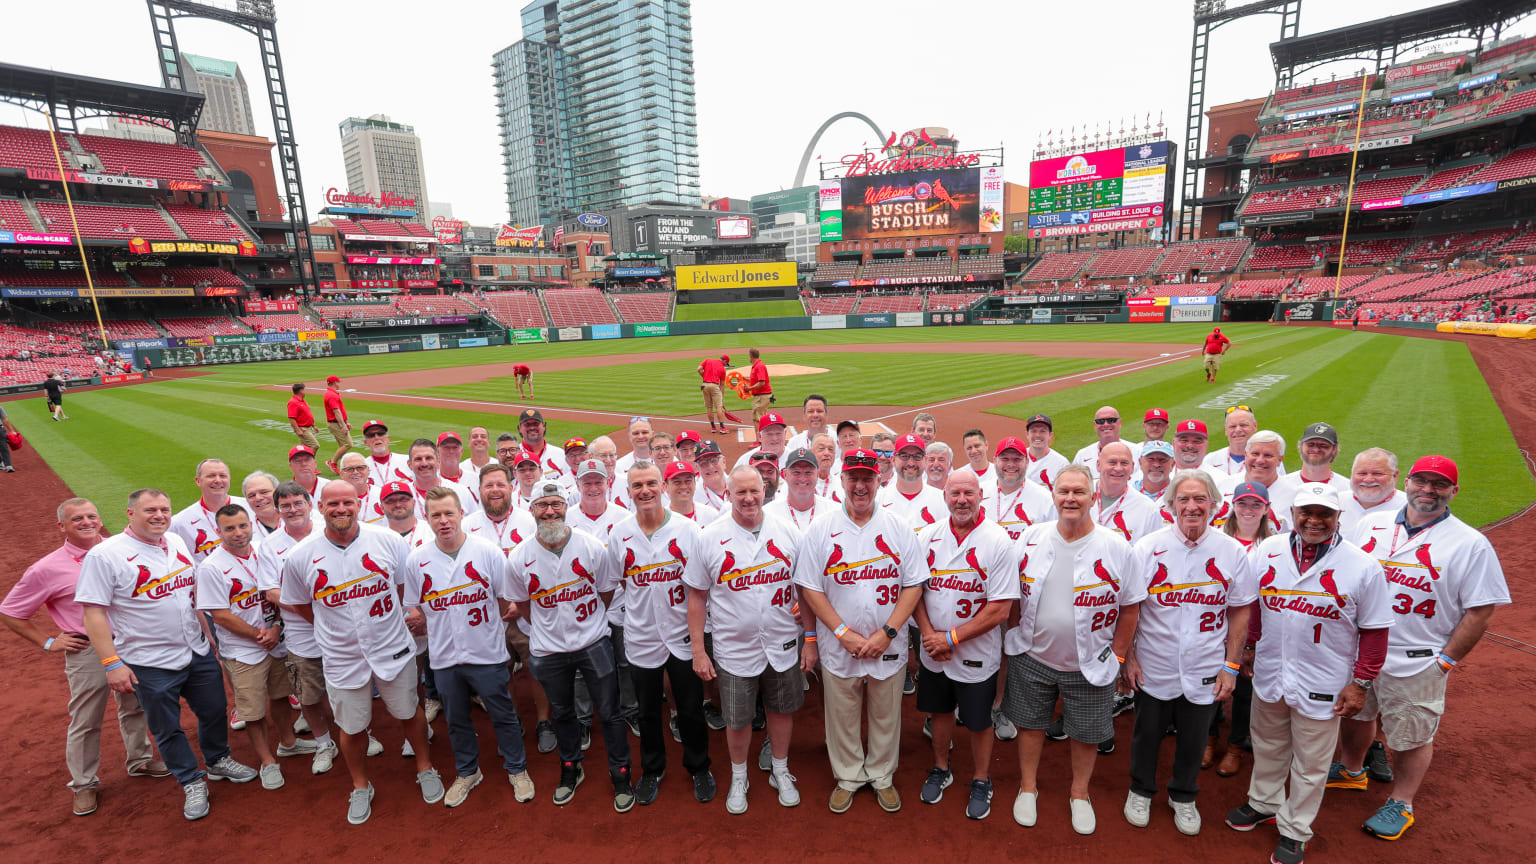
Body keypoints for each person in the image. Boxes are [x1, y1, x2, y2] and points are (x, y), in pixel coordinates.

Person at [1338, 456, 1510, 841]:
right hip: (1360, 651)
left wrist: (1445, 662)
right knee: (1357, 714)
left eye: (1439, 484)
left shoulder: (1470, 543)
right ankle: (1351, 770)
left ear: (1453, 491)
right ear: (1408, 482)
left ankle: (1402, 801)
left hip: (1417, 658)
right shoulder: (1372, 524)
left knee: (1412, 735)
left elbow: (1481, 611)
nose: (1428, 491)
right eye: (1422, 481)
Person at [1224, 484, 1391, 864]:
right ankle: (1264, 803)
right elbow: (1254, 606)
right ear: (1292, 513)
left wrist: (1361, 682)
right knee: (1267, 744)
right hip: (1271, 668)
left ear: (1338, 518)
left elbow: (1376, 630)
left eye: (1324, 514)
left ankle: (1296, 828)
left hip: (1325, 677)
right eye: (1307, 512)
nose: (1314, 520)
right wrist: (1248, 647)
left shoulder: (1362, 565)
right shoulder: (1268, 551)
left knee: (1312, 762)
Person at [75, 488, 258, 821]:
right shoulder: (106, 554)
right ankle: (190, 779)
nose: (159, 515)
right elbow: (94, 613)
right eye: (150, 510)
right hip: (149, 660)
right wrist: (111, 662)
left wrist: (208, 634)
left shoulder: (174, 542)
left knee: (216, 710)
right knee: (166, 726)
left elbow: (188, 595)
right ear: (130, 514)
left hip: (195, 649)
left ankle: (217, 760)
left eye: (164, 509)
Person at [279, 483, 444, 825]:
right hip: (342, 653)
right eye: (333, 503)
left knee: (408, 710)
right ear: (319, 507)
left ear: (359, 504)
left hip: (391, 643)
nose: (341, 509)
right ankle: (359, 784)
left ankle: (425, 766)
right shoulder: (300, 556)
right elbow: (297, 602)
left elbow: (401, 588)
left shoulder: (387, 540)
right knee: (352, 727)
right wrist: (331, 624)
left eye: (348, 502)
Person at [1, 498, 166, 817]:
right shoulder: (46, 568)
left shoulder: (121, 549)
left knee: (136, 705)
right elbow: (10, 612)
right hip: (86, 649)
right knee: (87, 718)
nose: (87, 522)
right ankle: (83, 783)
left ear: (101, 518)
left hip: (131, 642)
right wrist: (48, 642)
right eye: (77, 519)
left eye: (91, 516)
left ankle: (140, 759)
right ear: (61, 526)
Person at [1004, 465, 1140, 835]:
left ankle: (1079, 793)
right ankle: (1028, 787)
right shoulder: (1030, 537)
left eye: (1079, 492)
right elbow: (1012, 591)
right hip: (1033, 656)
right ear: (1053, 495)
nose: (1070, 498)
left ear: (1093, 497)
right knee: (1030, 726)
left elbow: (1130, 607)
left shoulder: (1116, 546)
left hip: (1090, 661)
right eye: (1064, 491)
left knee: (1086, 733)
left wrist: (1120, 656)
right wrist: (1015, 631)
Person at [1122, 471, 1255, 836]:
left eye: (1200, 500)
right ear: (1171, 506)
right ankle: (1141, 789)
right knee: (1146, 732)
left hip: (1206, 661)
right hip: (1154, 658)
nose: (1192, 507)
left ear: (1214, 505)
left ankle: (1183, 794)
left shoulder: (1232, 551)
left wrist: (1231, 665)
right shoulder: (1148, 547)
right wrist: (1129, 657)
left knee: (1195, 736)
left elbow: (1240, 609)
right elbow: (1130, 606)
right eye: (1184, 499)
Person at [794, 449, 926, 814]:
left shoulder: (898, 527)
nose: (860, 485)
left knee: (887, 713)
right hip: (840, 645)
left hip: (889, 642)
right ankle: (849, 775)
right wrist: (841, 632)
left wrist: (888, 631)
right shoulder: (821, 529)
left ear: (879, 481)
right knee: (841, 713)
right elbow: (810, 587)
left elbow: (914, 585)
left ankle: (882, 775)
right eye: (853, 478)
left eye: (867, 478)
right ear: (841, 481)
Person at [503, 482, 634, 811]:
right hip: (548, 650)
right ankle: (570, 767)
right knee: (562, 713)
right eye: (542, 505)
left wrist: (586, 622)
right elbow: (522, 604)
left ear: (566, 506)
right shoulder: (519, 557)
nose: (549, 511)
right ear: (531, 510)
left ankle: (620, 773)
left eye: (556, 504)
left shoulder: (591, 546)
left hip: (593, 642)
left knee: (610, 712)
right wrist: (546, 629)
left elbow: (605, 592)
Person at [404, 487, 535, 808]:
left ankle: (517, 769)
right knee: (457, 717)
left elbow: (508, 603)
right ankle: (467, 770)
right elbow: (413, 608)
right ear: (428, 518)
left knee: (503, 713)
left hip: (487, 653)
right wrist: (421, 619)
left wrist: (493, 630)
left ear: (462, 514)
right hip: (444, 655)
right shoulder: (417, 560)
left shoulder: (487, 551)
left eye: (449, 513)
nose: (443, 520)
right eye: (436, 515)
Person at [690, 466, 810, 814]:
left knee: (782, 709)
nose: (748, 498)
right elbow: (696, 596)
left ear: (765, 491)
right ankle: (739, 776)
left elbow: (805, 586)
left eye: (754, 491)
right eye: (740, 492)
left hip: (782, 639)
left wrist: (806, 615)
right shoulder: (709, 537)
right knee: (738, 718)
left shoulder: (788, 532)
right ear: (728, 494)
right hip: (733, 646)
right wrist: (699, 650)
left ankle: (781, 769)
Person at [606, 462, 715, 806]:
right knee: (648, 710)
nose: (645, 490)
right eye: (637, 485)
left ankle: (699, 767)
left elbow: (700, 586)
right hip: (641, 634)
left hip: (682, 633)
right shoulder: (619, 534)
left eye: (651, 483)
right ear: (628, 492)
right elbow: (619, 582)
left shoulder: (688, 530)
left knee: (690, 707)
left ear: (662, 487)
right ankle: (652, 769)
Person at [913, 469, 1018, 820]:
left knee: (977, 721)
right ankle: (941, 767)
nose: (961, 500)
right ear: (944, 496)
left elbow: (1000, 609)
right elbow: (914, 593)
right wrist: (930, 636)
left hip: (975, 653)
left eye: (968, 493)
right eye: (954, 493)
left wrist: (950, 638)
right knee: (940, 714)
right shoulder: (927, 536)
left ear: (979, 495)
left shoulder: (998, 540)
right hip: (933, 650)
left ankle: (980, 777)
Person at [194, 504, 308, 791]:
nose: (238, 533)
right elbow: (220, 614)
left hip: (276, 639)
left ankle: (288, 743)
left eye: (243, 526)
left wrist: (277, 627)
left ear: (252, 525)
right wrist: (262, 634)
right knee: (253, 711)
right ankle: (267, 761)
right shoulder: (211, 567)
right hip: (244, 650)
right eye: (230, 528)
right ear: (218, 532)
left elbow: (284, 591)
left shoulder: (265, 550)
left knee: (281, 696)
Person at [467, 463, 556, 755]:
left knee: (536, 666)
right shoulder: (468, 526)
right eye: (488, 485)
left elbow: (545, 564)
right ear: (479, 490)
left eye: (500, 484)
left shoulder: (529, 520)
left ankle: (543, 721)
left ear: (511, 487)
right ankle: (514, 718)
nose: (495, 490)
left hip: (528, 610)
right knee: (501, 671)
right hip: (488, 614)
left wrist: (521, 602)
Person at [257, 481, 340, 774]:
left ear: (310, 504)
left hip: (340, 627)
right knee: (308, 694)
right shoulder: (270, 545)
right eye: (286, 506)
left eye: (298, 503)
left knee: (347, 686)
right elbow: (271, 592)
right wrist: (312, 612)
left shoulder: (327, 531)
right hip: (301, 633)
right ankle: (323, 743)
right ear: (278, 511)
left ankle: (358, 734)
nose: (293, 510)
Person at [1210, 480, 1279, 777]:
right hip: (1213, 626)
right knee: (1210, 684)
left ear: (1266, 509)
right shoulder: (1215, 540)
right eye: (1243, 503)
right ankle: (1208, 740)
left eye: (1256, 504)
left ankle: (1236, 746)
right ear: (1232, 506)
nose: (1248, 510)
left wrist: (1251, 640)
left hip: (1256, 630)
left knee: (1245, 690)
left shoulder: (1275, 546)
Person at [170, 458, 253, 564]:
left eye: (222, 476)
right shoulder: (179, 522)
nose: (218, 480)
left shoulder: (250, 507)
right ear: (198, 481)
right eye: (211, 476)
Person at [1269, 423, 1349, 515]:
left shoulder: (1347, 489)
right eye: (1310, 444)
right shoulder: (1280, 485)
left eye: (1323, 445)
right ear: (1301, 446)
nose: (1316, 449)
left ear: (1334, 449)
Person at [1092, 443, 1164, 545]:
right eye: (1112, 462)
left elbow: (1155, 550)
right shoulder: (1077, 493)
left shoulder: (1148, 509)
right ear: (1098, 465)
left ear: (1132, 467)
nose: (1118, 468)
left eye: (1124, 463)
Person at [987, 436, 1055, 542]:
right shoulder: (977, 494)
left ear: (1027, 462)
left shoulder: (1045, 499)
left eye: (1017, 459)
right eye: (1005, 459)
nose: (1010, 464)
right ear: (994, 460)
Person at [876, 434, 946, 531]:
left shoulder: (943, 500)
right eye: (904, 456)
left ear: (925, 460)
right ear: (893, 460)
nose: (911, 463)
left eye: (917, 456)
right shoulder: (877, 500)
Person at [1339, 448, 1406, 536]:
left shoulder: (1408, 508)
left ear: (1395, 475)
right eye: (1362, 473)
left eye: (1377, 473)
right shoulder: (1334, 502)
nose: (1368, 480)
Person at [766, 447, 835, 530]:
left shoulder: (833, 511)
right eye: (796, 472)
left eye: (808, 472)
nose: (802, 478)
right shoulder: (768, 513)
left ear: (817, 474)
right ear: (785, 475)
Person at [407, 438, 475, 518]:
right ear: (410, 464)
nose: (424, 463)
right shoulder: (402, 496)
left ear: (438, 461)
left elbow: (475, 525)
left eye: (429, 458)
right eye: (418, 459)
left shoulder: (460, 492)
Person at [1074, 407, 1141, 479]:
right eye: (1100, 421)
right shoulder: (1082, 455)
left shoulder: (1138, 452)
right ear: (1095, 425)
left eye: (1111, 420)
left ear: (1120, 422)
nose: (1105, 424)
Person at [1205, 408, 1259, 478]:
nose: (1238, 430)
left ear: (1255, 426)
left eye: (1243, 425)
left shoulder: (1266, 461)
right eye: (1232, 426)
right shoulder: (1210, 460)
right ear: (1226, 430)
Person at [517, 408, 567, 484]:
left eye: (536, 423)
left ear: (544, 425)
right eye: (527, 424)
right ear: (519, 428)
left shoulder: (560, 454)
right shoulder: (514, 456)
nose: (532, 427)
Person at [1023, 414, 1069, 491]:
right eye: (1033, 431)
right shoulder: (1017, 458)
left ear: (1050, 435)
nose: (1038, 435)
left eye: (1043, 431)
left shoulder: (1062, 464)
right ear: (1027, 434)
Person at [435, 431, 480, 508]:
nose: (451, 451)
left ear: (461, 451)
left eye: (455, 447)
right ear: (437, 452)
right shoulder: (431, 480)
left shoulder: (476, 479)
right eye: (446, 447)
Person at [361, 420, 411, 487]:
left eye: (380, 433)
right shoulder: (360, 467)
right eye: (371, 435)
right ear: (366, 442)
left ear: (388, 438)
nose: (377, 437)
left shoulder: (408, 460)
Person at [322, 375, 352, 476]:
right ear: (335, 383)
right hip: (335, 424)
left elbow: (339, 412)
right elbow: (336, 412)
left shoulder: (331, 394)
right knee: (348, 444)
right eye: (338, 382)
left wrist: (346, 422)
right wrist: (343, 425)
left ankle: (344, 465)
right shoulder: (331, 395)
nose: (339, 384)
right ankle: (332, 462)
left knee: (342, 446)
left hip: (335, 423)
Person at [697, 355, 729, 433]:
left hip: (704, 385)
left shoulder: (708, 360)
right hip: (714, 386)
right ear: (724, 361)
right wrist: (722, 397)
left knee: (709, 407)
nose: (726, 365)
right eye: (726, 363)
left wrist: (705, 377)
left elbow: (699, 369)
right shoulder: (723, 369)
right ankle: (722, 428)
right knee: (718, 407)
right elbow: (722, 384)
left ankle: (713, 428)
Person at [696, 439, 729, 511]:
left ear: (724, 462)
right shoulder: (694, 498)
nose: (710, 467)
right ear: (697, 468)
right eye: (703, 463)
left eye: (714, 460)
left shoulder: (739, 487)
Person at [288, 382, 320, 451]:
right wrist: (298, 430)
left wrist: (313, 425)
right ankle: (308, 461)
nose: (305, 392)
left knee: (304, 448)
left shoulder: (302, 401)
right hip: (302, 428)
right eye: (304, 390)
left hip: (307, 428)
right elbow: (291, 418)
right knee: (315, 445)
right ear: (301, 391)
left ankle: (298, 460)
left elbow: (307, 414)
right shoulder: (293, 402)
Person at [747, 348, 773, 422]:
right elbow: (756, 381)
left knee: (758, 418)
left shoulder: (759, 366)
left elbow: (762, 382)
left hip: (762, 396)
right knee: (758, 417)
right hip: (762, 396)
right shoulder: (756, 366)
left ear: (751, 356)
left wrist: (749, 389)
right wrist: (745, 380)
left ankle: (761, 434)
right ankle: (761, 433)